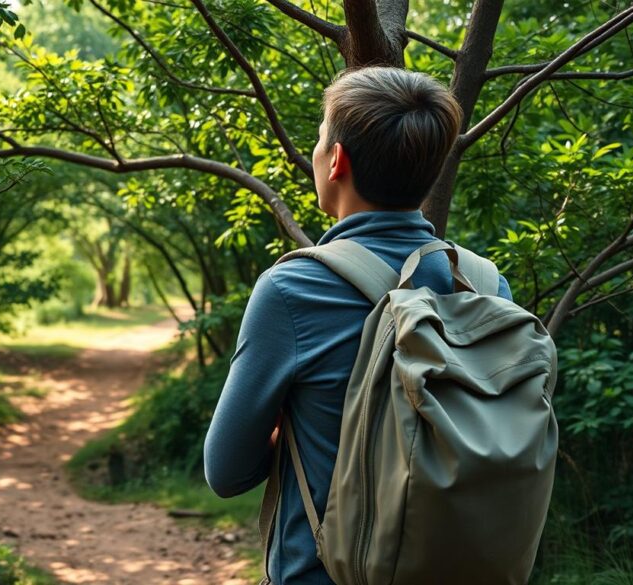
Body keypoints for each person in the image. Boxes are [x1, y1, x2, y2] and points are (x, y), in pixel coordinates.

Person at [202, 66, 515, 584]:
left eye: (320, 138)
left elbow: (226, 471)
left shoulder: (293, 289)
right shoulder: (483, 284)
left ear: (337, 160)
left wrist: (294, 426)